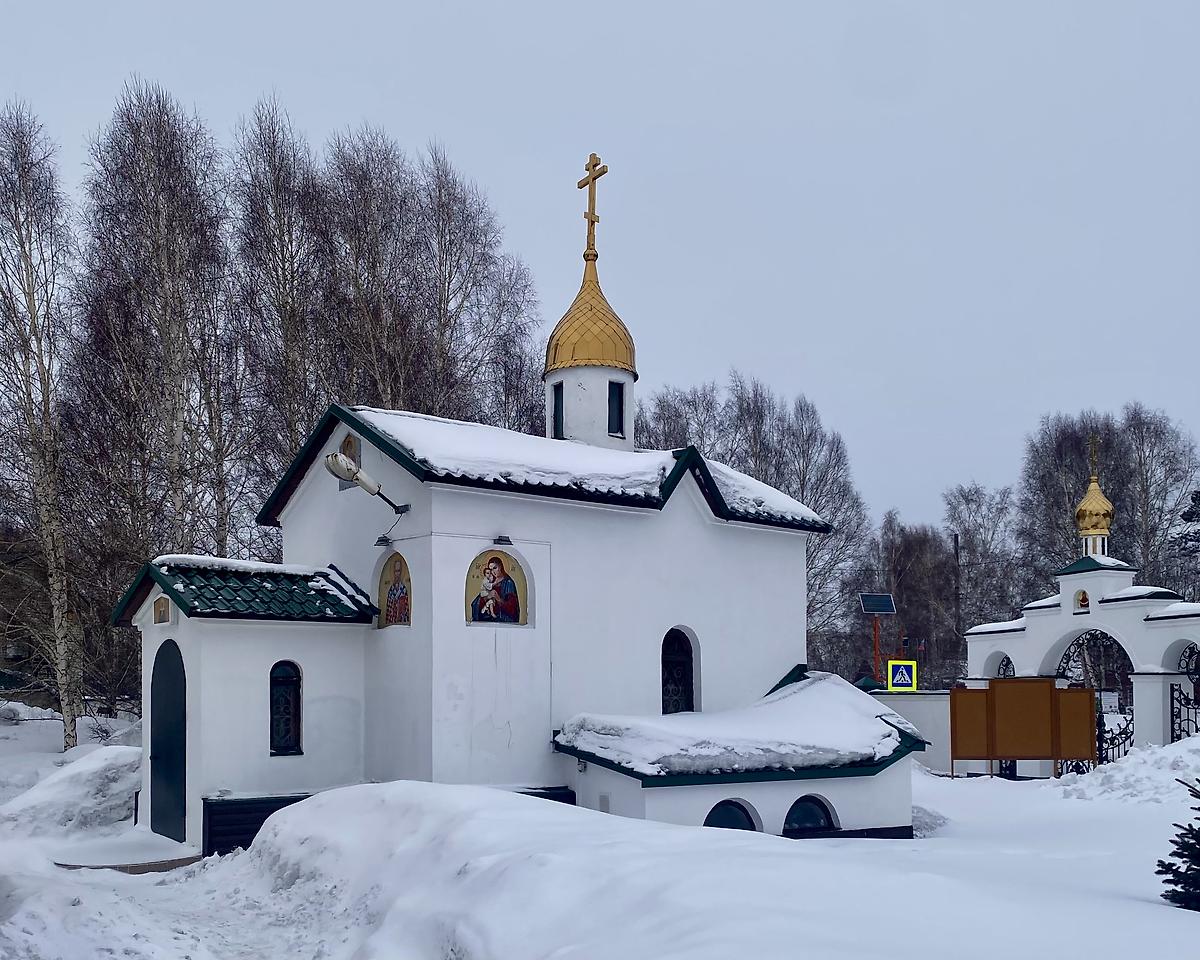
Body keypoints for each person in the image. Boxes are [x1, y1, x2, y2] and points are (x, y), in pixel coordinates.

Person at [470, 556, 520, 623]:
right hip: (488, 619)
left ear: (501, 566)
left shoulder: (508, 583)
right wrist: (487, 597)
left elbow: (513, 608)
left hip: (502, 620)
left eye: (495, 568)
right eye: (490, 570)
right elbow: (475, 603)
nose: (493, 572)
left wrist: (498, 598)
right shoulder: (490, 582)